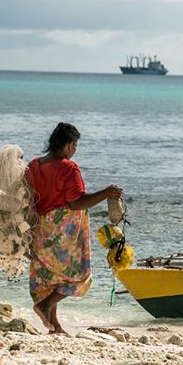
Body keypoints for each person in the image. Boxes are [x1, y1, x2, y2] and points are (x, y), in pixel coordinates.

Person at [26, 122, 122, 334]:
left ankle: (54, 326)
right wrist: (106, 192)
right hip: (63, 229)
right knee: (80, 275)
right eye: (75, 144)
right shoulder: (68, 168)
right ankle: (43, 306)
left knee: (50, 277)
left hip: (41, 227)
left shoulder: (34, 165)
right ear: (69, 145)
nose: (75, 149)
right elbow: (76, 202)